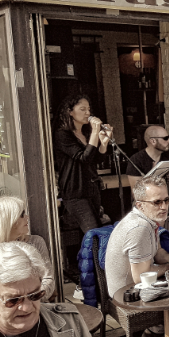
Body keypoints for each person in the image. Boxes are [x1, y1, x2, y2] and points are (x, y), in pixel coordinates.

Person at [105, 176, 169, 337]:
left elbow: (158, 254)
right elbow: (141, 276)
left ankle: (158, 330)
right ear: (140, 205)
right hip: (127, 297)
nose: (164, 207)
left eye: (167, 200)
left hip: (134, 289)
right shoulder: (140, 228)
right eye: (157, 202)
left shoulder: (148, 220)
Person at [52, 94, 113, 235]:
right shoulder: (62, 135)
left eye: (89, 109)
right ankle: (96, 257)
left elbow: (94, 160)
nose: (88, 113)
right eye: (82, 109)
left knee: (98, 227)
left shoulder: (86, 133)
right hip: (75, 192)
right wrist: (96, 132)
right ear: (70, 112)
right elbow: (83, 158)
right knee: (93, 232)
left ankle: (91, 256)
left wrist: (103, 143)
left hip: (92, 189)